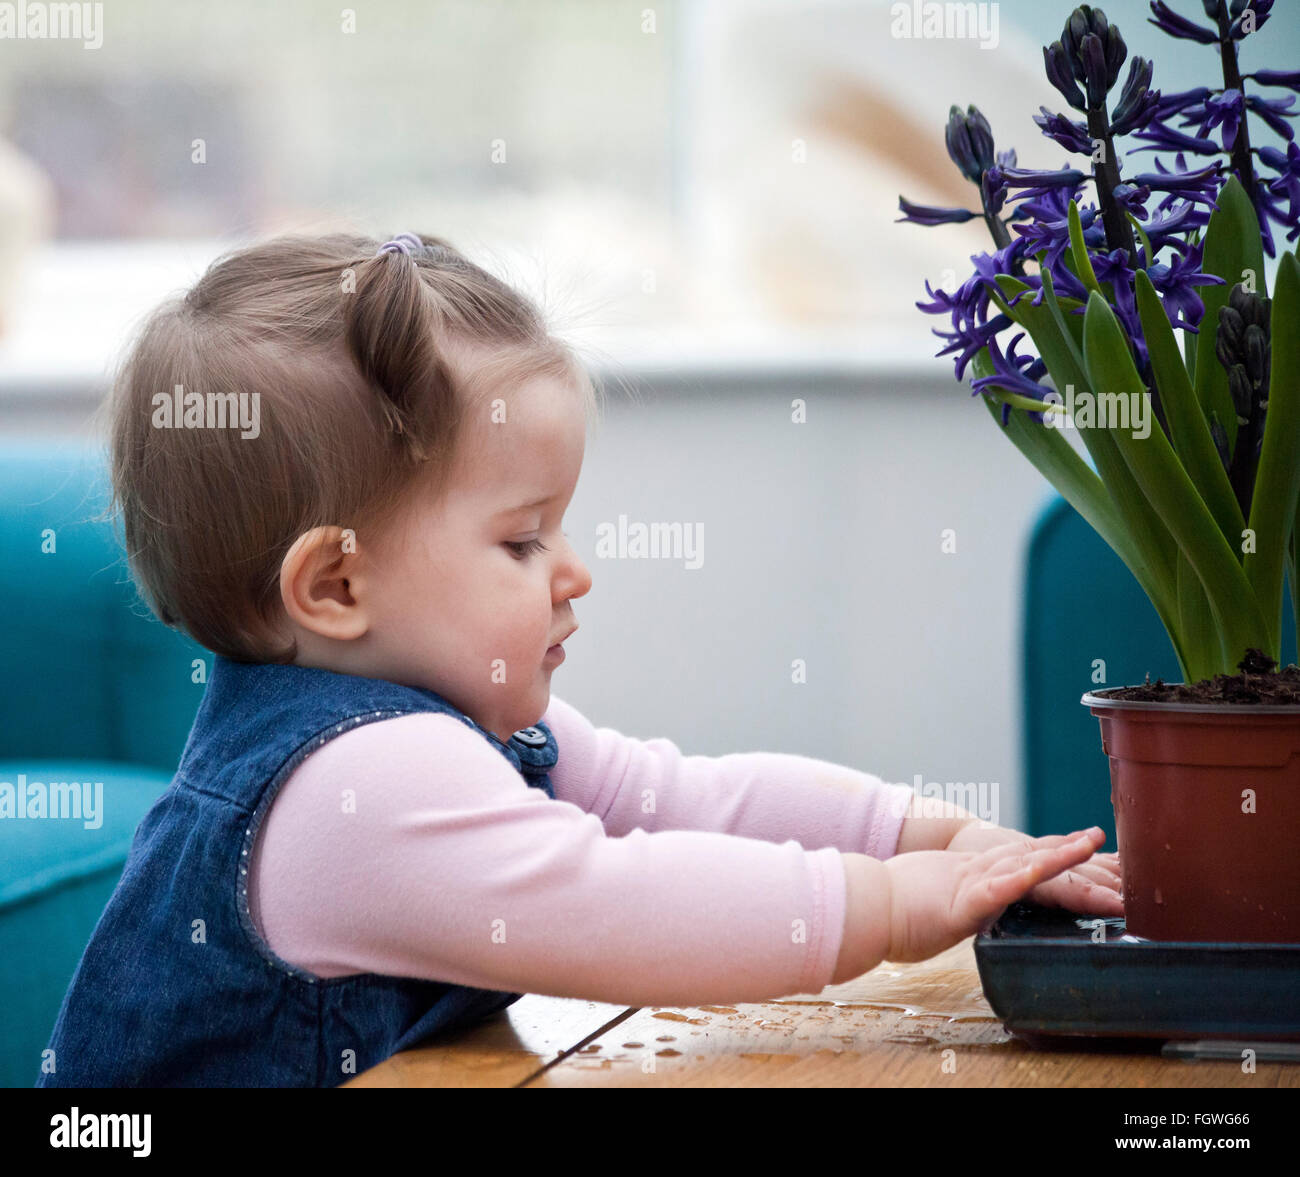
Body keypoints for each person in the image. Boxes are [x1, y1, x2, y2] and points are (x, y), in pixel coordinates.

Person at [37, 231, 1118, 1088]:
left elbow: (688, 797)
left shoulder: (446, 730)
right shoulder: (353, 791)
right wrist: (888, 904)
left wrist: (932, 832)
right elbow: (614, 904)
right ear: (334, 586)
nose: (573, 572)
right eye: (521, 540)